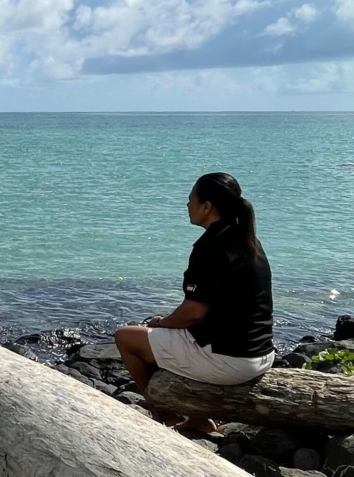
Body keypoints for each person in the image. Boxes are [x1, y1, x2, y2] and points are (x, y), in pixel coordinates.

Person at [114, 172, 274, 435]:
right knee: (167, 336)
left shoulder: (211, 247)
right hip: (262, 353)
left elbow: (194, 312)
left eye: (190, 200)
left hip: (232, 361)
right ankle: (199, 418)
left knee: (126, 338)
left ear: (207, 206)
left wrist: (163, 323)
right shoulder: (247, 240)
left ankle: (164, 415)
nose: (187, 205)